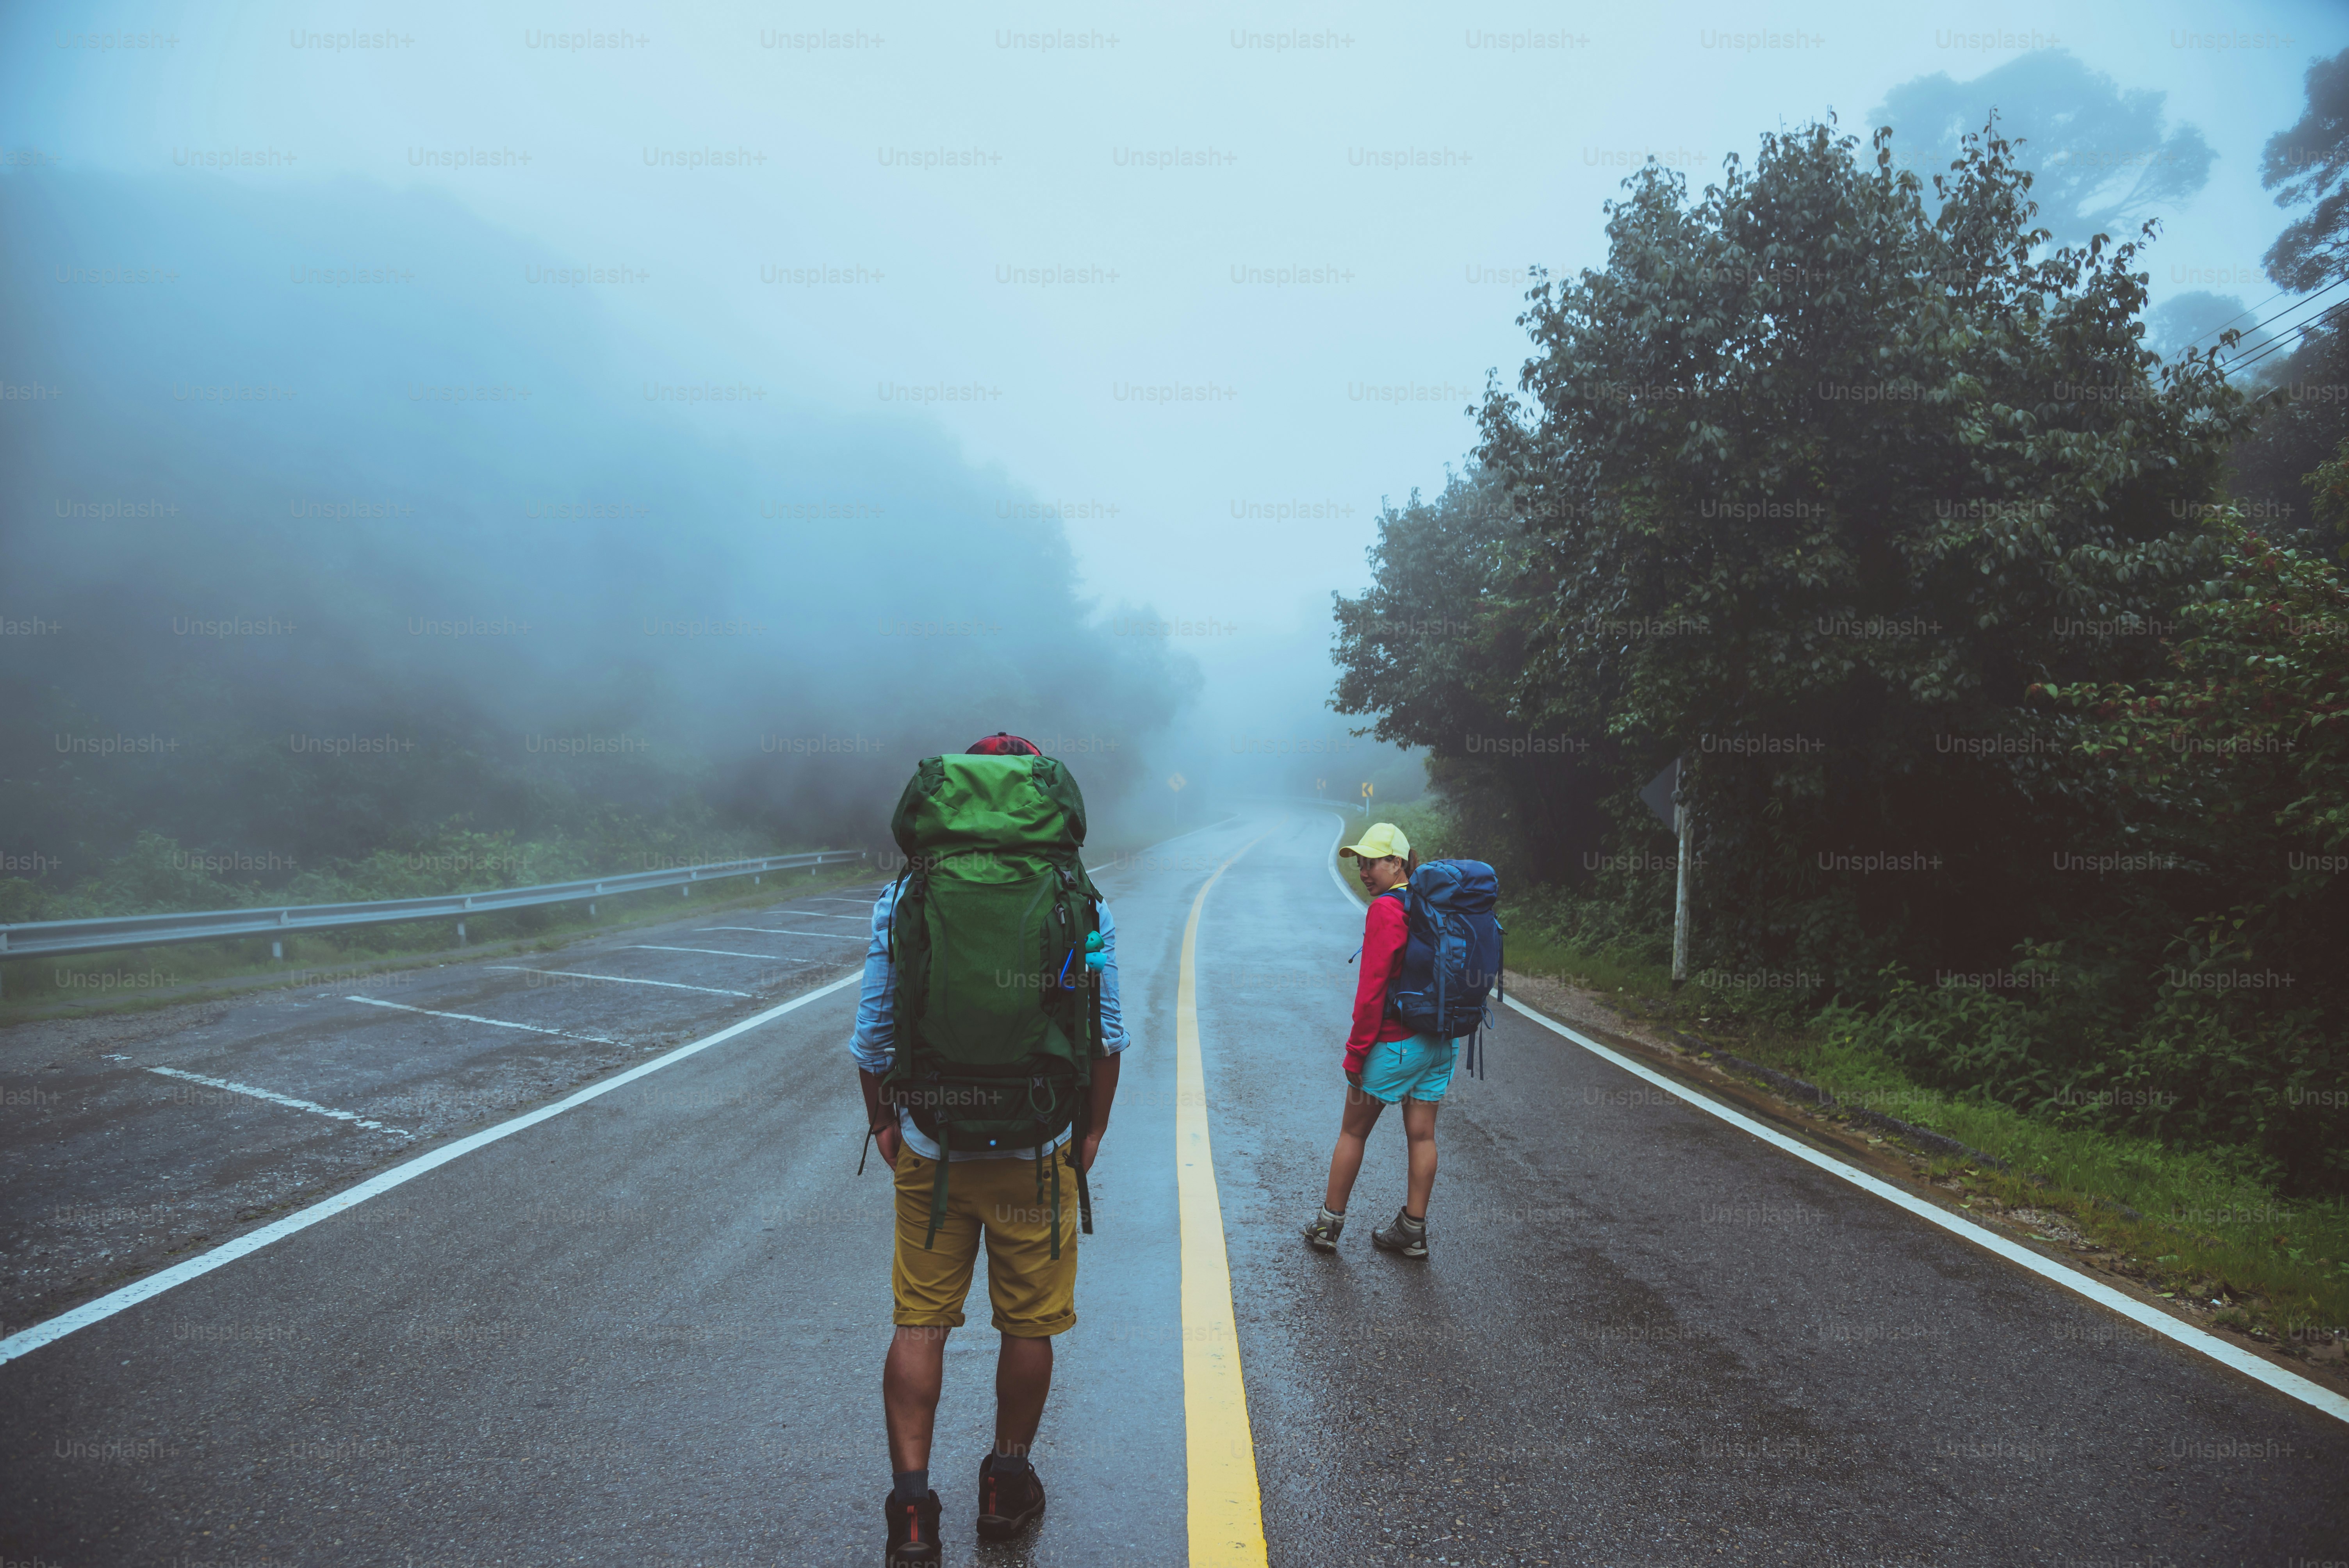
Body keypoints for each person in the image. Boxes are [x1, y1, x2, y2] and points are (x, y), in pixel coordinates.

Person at [851, 731, 1126, 1567]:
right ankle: (1006, 1486)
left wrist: (888, 1125)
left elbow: (871, 1039)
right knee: (1028, 1322)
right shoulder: (1081, 900)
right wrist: (1090, 1130)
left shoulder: (905, 897)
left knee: (920, 1321)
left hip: (932, 1145)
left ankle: (911, 1511)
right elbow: (1106, 1036)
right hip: (1038, 1141)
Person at [1303, 821, 1455, 1260]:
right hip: (1441, 1041)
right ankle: (1413, 1230)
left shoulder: (1388, 910)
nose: (1364, 872)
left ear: (1398, 862)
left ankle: (1327, 1225)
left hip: (1396, 1044)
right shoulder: (1435, 904)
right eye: (1360, 863)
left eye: (1372, 862)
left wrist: (1356, 1051)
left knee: (1353, 1131)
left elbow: (1371, 991)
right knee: (1422, 1136)